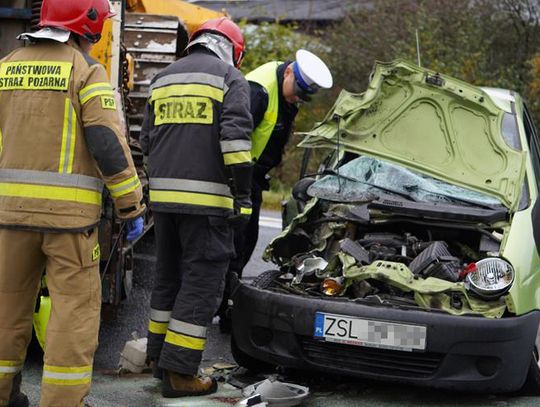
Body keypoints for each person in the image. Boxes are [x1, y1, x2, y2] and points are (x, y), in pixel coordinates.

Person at [0, 0, 145, 405]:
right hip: (69, 225)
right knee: (72, 318)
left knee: (5, 312)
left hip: (9, 218)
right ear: (89, 23)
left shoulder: (6, 65)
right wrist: (131, 205)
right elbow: (108, 146)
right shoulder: (86, 70)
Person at [140, 17, 252, 398]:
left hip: (164, 202)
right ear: (233, 50)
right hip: (207, 204)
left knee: (168, 279)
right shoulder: (229, 78)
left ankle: (159, 359)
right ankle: (181, 372)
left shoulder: (163, 78)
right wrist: (244, 196)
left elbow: (147, 142)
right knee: (202, 282)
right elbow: (236, 145)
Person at [219, 50, 333, 331]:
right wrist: (239, 188)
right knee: (234, 245)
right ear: (289, 73)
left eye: (304, 97)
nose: (297, 100)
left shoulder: (285, 92)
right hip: (235, 177)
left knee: (245, 242)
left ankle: (225, 305)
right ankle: (223, 308)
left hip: (252, 178)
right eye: (297, 92)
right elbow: (233, 136)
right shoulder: (258, 91)